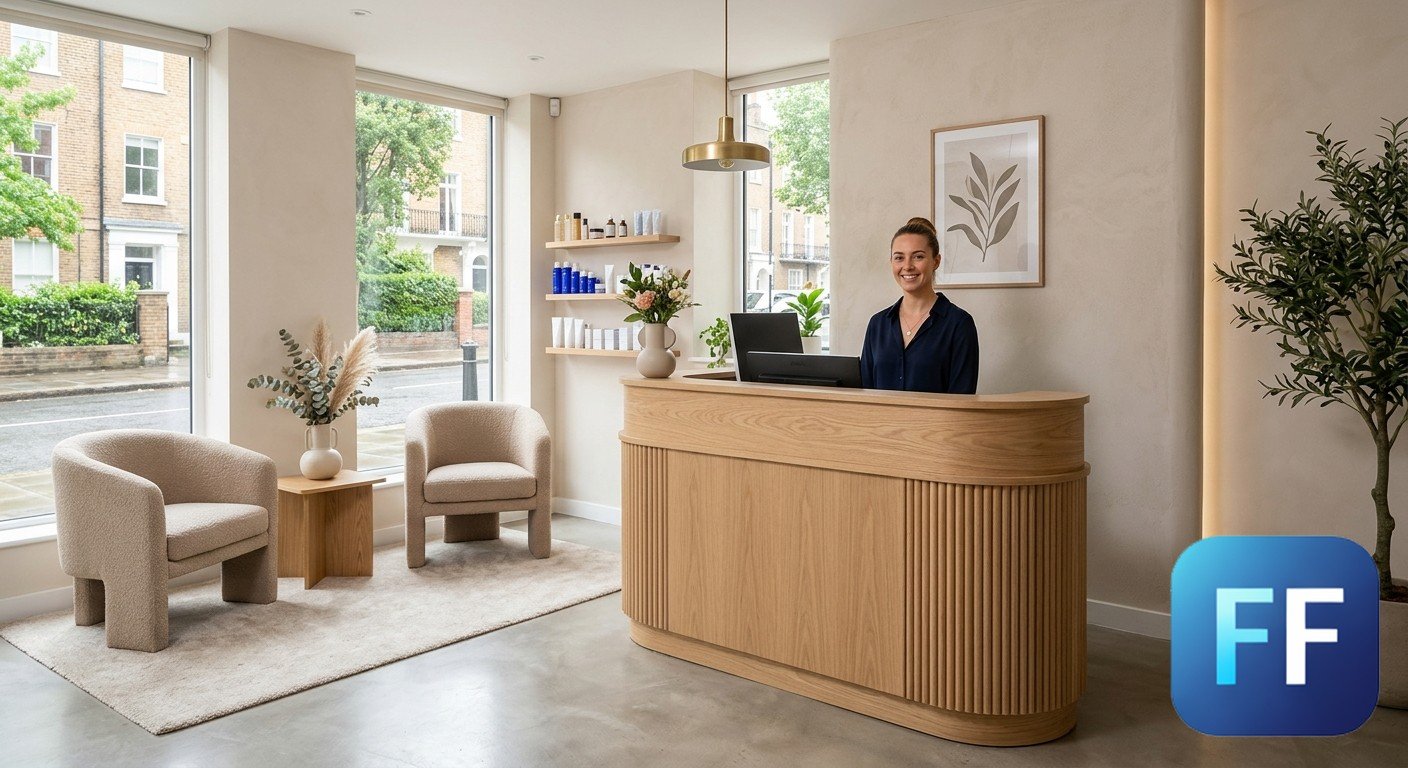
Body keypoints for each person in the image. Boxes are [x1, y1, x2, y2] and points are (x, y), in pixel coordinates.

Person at [859, 217, 979, 393]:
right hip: (881, 422)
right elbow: (865, 395)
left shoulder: (959, 324)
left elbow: (962, 399)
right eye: (899, 257)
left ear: (936, 261)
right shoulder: (877, 324)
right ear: (891, 262)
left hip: (936, 422)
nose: (907, 266)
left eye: (918, 257)